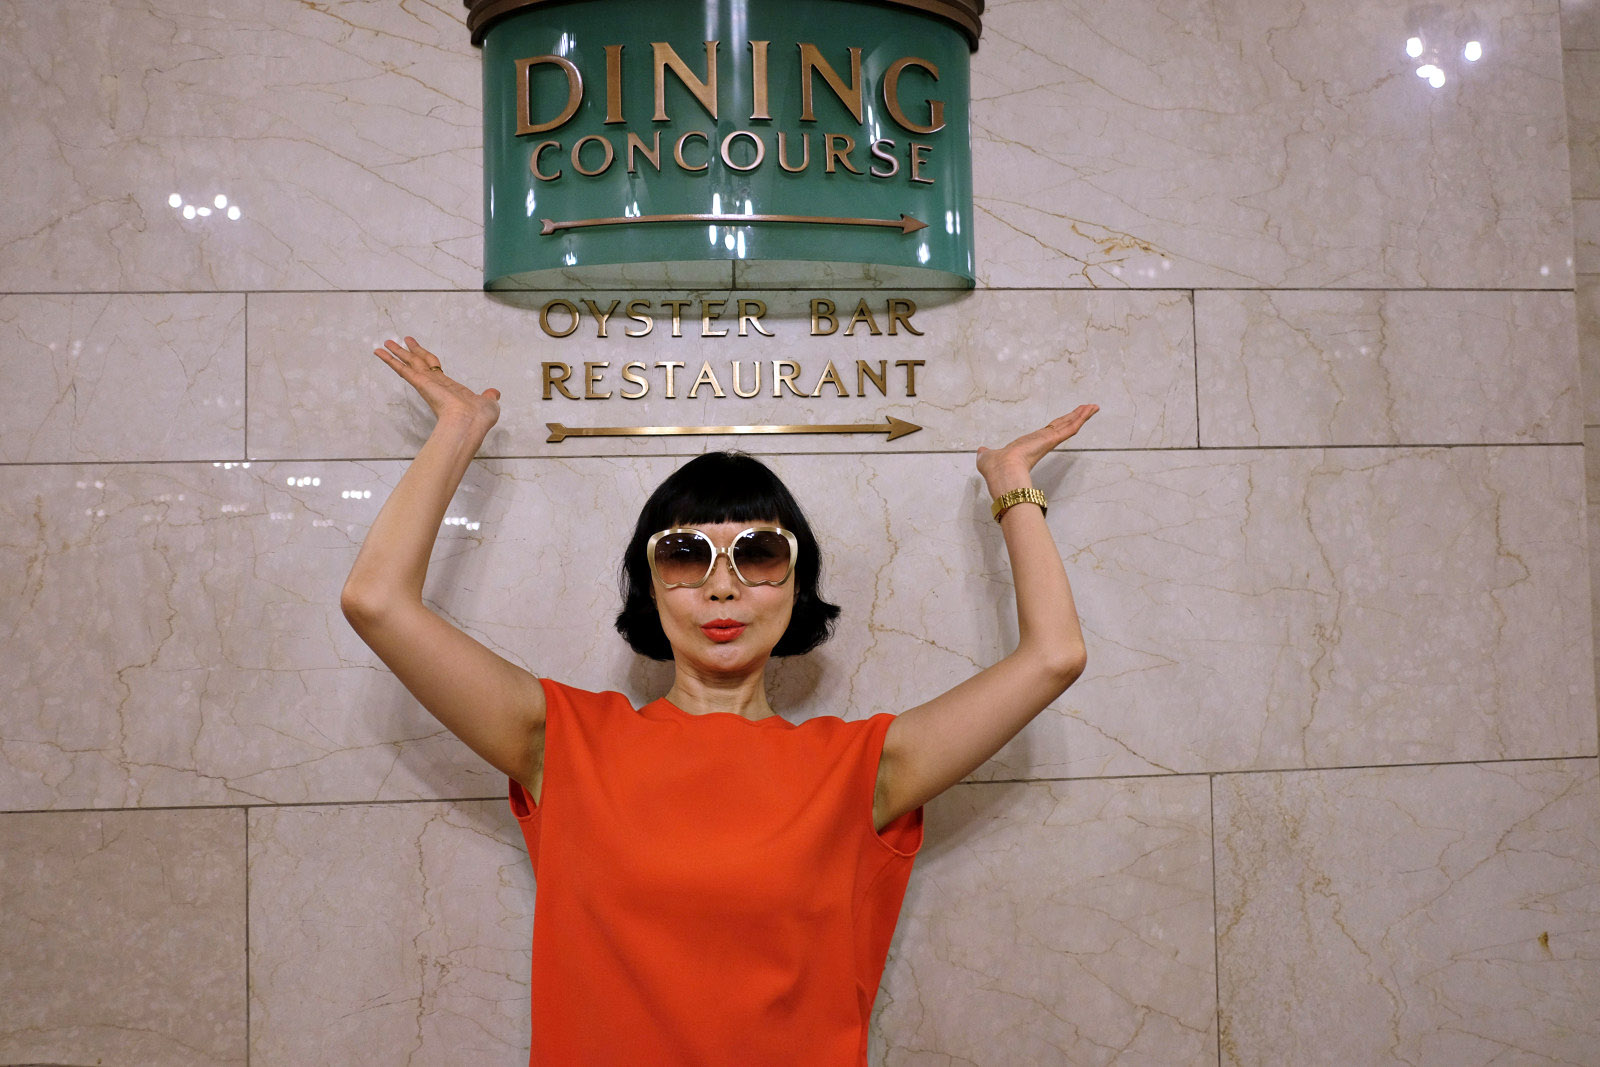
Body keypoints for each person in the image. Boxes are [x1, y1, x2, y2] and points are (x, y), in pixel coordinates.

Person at [341, 336, 1097, 1066]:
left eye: (760, 553)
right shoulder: (560, 741)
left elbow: (1054, 655)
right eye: (685, 553)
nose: (723, 585)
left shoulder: (864, 767)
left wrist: (1012, 484)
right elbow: (376, 600)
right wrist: (460, 427)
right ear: (651, 585)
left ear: (795, 585)